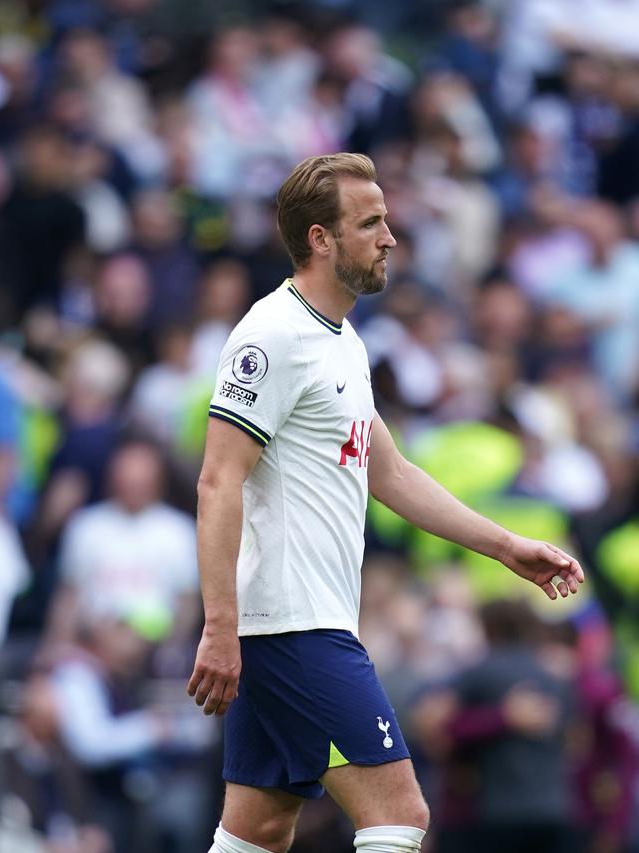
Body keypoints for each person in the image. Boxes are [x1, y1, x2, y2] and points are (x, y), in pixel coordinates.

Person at [185, 152, 585, 853]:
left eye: (387, 220)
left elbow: (389, 470)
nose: (389, 237)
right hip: (293, 623)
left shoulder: (342, 343)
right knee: (398, 813)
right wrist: (219, 624)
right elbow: (218, 481)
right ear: (320, 238)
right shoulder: (271, 334)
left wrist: (505, 546)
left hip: (293, 622)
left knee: (259, 829)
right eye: (369, 223)